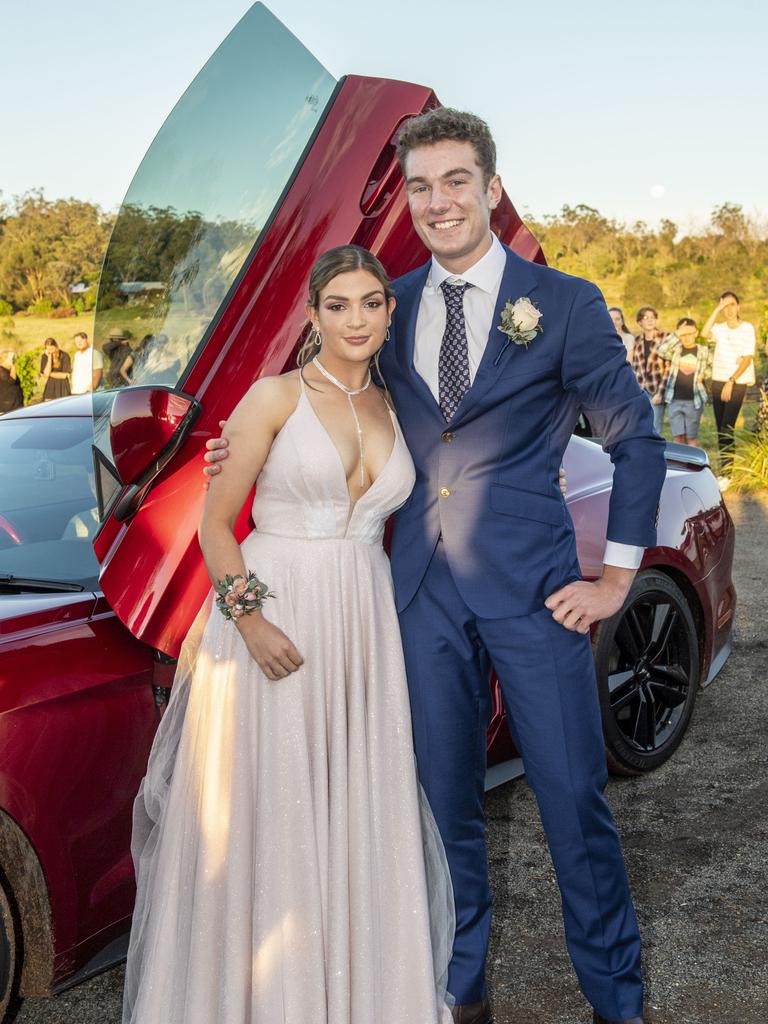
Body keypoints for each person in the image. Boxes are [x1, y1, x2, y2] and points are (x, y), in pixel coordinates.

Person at [206, 108, 665, 1024]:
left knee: (574, 805)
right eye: (420, 186)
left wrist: (615, 575)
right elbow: (317, 401)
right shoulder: (391, 301)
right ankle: (459, 991)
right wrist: (238, 450)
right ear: (405, 200)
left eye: (457, 180)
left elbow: (638, 440)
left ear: (492, 189)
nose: (438, 201)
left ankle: (618, 1000)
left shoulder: (564, 302)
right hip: (411, 601)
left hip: (540, 598)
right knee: (439, 809)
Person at [122, 246, 455, 1024]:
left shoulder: (396, 405)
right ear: (312, 315)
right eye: (337, 305)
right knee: (269, 812)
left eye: (371, 303)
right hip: (271, 614)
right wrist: (251, 621)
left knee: (354, 804)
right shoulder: (271, 398)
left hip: (361, 625)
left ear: (389, 310)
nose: (356, 319)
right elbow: (214, 526)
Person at [702, 291, 757, 487]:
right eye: (724, 306)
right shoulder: (719, 328)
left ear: (739, 306)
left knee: (727, 426)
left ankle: (728, 474)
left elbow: (747, 357)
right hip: (718, 380)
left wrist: (731, 380)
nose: (728, 309)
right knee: (720, 429)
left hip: (737, 382)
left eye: (732, 304)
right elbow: (703, 333)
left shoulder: (747, 328)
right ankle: (725, 471)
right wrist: (717, 309)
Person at [656, 318, 712, 445]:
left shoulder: (703, 351)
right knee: (678, 437)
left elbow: (711, 366)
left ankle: (692, 464)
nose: (686, 337)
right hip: (675, 399)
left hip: (694, 400)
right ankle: (680, 463)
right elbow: (661, 350)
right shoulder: (676, 350)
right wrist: (676, 334)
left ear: (696, 333)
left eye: (690, 333)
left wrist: (704, 374)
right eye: (683, 334)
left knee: (691, 437)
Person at [630, 307, 667, 434]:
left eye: (652, 317)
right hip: (640, 390)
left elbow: (668, 368)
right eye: (646, 318)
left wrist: (660, 393)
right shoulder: (637, 341)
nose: (650, 320)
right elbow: (634, 366)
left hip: (656, 390)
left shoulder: (664, 338)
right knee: (639, 427)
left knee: (655, 428)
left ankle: (655, 454)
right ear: (640, 322)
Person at [0, 350, 24, 414]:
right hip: (7, 407)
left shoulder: (9, 371)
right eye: (11, 359)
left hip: (16, 405)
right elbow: (12, 380)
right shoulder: (1, 370)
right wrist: (13, 365)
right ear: (5, 359)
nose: (13, 360)